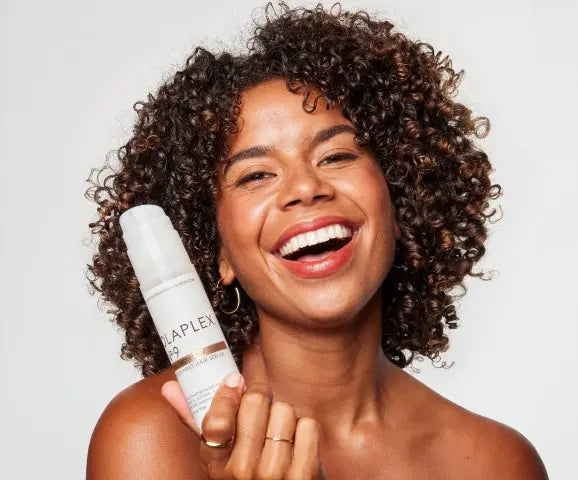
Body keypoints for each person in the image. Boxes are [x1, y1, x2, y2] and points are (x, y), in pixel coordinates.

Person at [84, 2, 548, 478]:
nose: (305, 188)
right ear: (216, 249)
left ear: (401, 198)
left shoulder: (496, 462)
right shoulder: (150, 437)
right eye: (255, 175)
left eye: (336, 156)